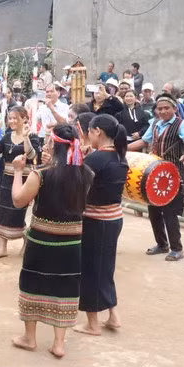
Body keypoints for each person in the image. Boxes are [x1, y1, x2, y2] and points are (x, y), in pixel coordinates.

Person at [10, 124, 93, 359]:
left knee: (33, 282)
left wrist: (18, 172)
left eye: (48, 141)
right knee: (65, 286)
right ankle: (59, 343)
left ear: (54, 146)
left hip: (41, 240)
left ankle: (29, 337)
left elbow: (18, 200)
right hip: (71, 241)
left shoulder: (41, 174)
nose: (45, 144)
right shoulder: (86, 174)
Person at [73, 115, 128, 337]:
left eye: (88, 131)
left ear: (97, 132)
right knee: (106, 268)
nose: (86, 135)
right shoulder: (120, 156)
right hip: (114, 218)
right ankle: (113, 314)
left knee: (90, 270)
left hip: (96, 220)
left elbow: (77, 184)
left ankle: (92, 323)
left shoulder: (97, 159)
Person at [128, 93, 184, 261]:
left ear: (175, 109)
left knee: (170, 213)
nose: (163, 111)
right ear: (156, 110)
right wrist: (121, 149)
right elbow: (143, 141)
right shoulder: (155, 124)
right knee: (154, 211)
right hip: (154, 174)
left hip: (173, 175)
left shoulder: (181, 124)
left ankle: (177, 248)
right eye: (160, 108)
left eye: (167, 108)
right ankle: (162, 244)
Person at [0, 107, 40, 258]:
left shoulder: (32, 136)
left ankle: (25, 239)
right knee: (2, 211)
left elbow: (32, 155)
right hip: (7, 178)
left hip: (25, 180)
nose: (12, 121)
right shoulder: (7, 136)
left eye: (15, 118)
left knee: (17, 212)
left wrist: (25, 137)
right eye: (10, 118)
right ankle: (2, 247)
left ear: (24, 119)